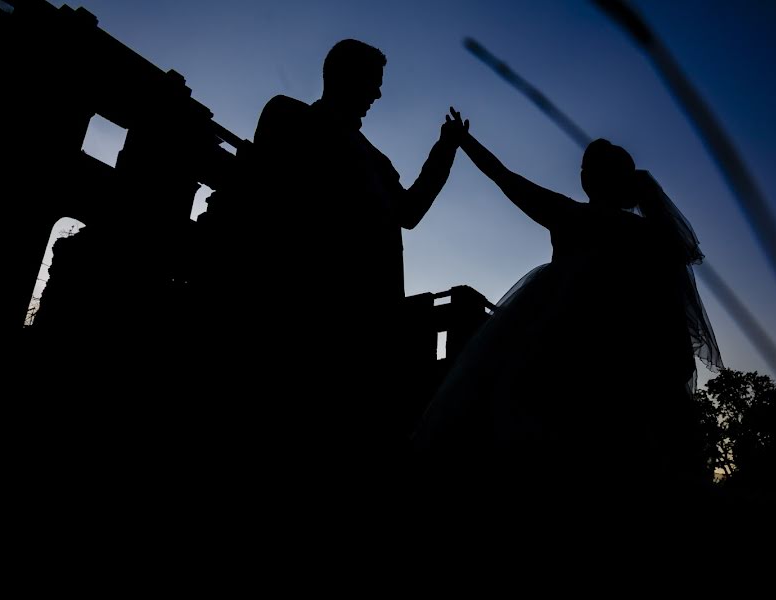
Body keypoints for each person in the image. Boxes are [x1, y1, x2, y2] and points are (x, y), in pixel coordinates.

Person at [415, 118, 722, 498]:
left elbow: (505, 178)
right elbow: (669, 315)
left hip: (564, 350)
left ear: (593, 178)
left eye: (584, 168)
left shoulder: (571, 214)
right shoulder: (647, 236)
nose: (580, 174)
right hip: (629, 359)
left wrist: (465, 141)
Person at [207, 40, 467, 458]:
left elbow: (410, 211)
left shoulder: (377, 161)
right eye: (372, 83)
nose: (378, 94)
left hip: (364, 331)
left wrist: (445, 149)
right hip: (296, 321)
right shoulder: (288, 115)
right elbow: (256, 197)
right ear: (341, 77)